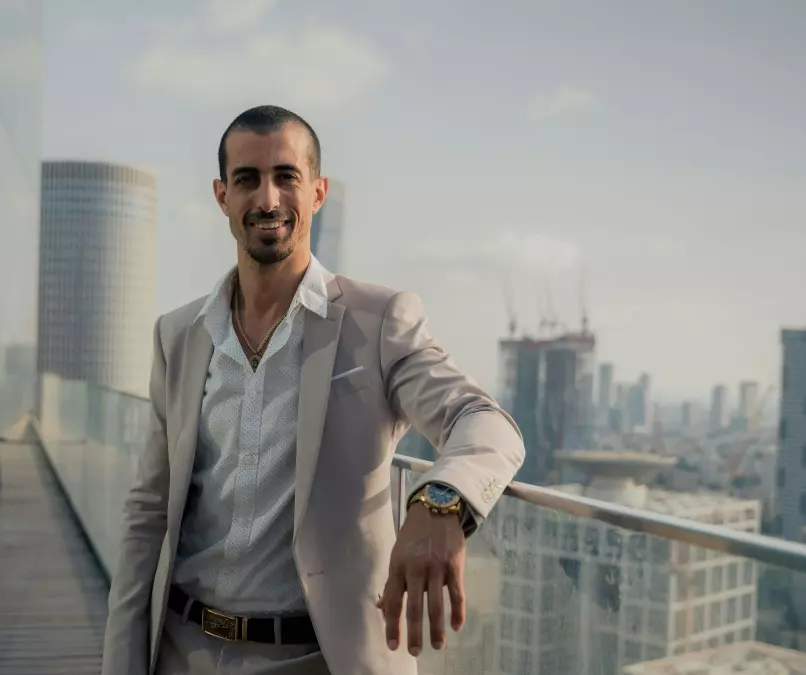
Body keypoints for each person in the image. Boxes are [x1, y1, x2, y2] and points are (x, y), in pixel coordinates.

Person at [101, 105, 524, 675]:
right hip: (183, 649)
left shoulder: (379, 321)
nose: (268, 200)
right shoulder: (177, 335)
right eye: (247, 179)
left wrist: (440, 501)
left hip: (318, 657)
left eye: (287, 177)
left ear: (318, 192)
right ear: (221, 195)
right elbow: (148, 512)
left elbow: (482, 419)